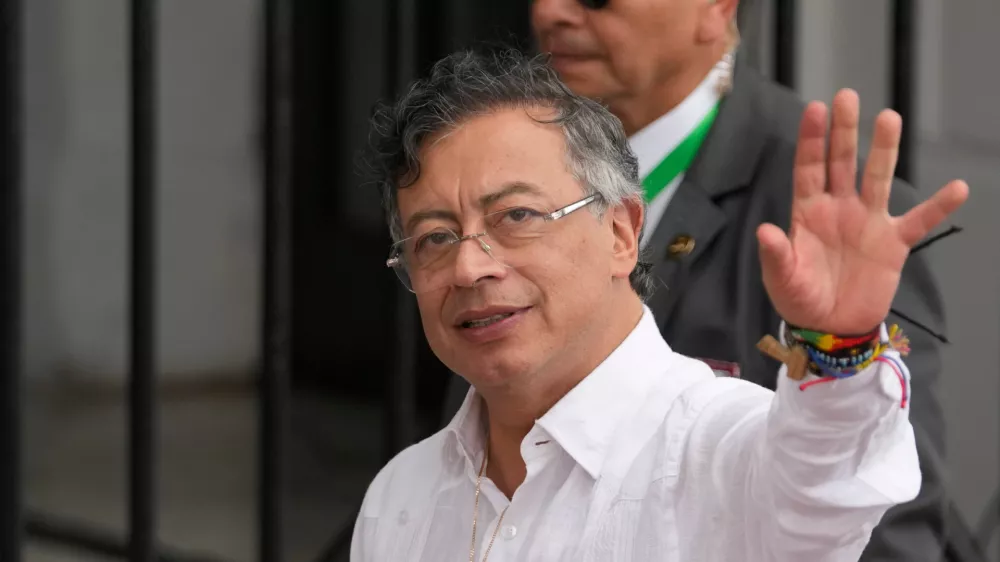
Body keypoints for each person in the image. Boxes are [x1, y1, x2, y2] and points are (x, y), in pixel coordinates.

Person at [350, 49, 968, 561]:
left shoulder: (719, 450)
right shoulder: (401, 495)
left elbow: (826, 483)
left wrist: (838, 343)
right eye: (434, 238)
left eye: (516, 216)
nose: (469, 266)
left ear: (622, 234)